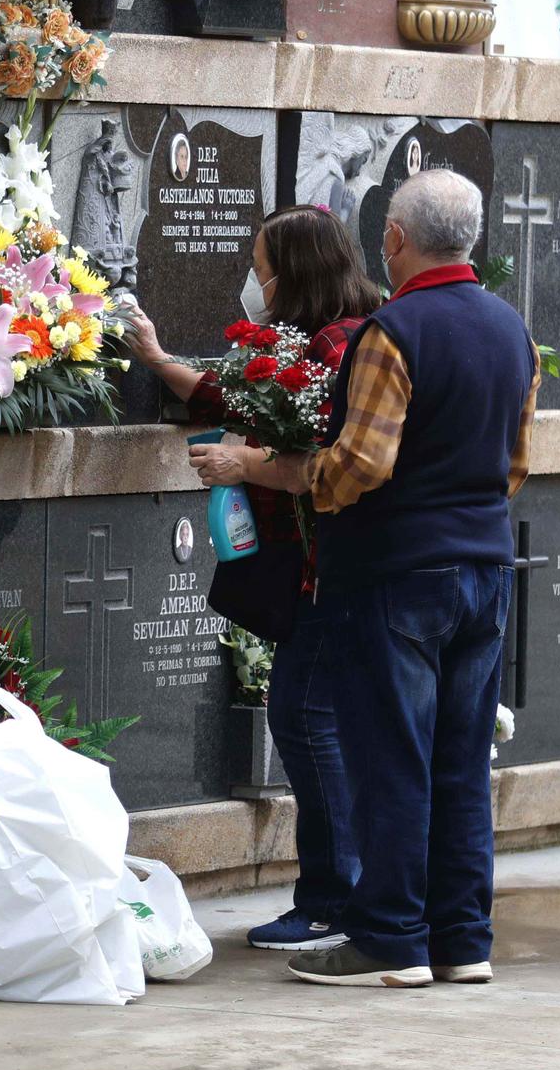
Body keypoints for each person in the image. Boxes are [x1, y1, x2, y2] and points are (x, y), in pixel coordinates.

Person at [189, 171, 538, 987]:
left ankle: (387, 936)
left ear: (396, 240)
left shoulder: (395, 331)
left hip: (396, 574)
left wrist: (284, 469)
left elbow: (358, 467)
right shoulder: (510, 329)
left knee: (392, 757)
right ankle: (461, 940)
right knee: (460, 761)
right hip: (487, 568)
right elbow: (517, 464)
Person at [129, 205, 382, 953]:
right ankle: (340, 893)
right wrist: (157, 358)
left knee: (306, 720)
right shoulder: (317, 339)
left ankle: (336, 898)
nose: (253, 280)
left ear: (294, 272)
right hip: (318, 575)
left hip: (335, 574)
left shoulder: (346, 348)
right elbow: (234, 397)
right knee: (310, 720)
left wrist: (248, 463)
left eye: (261, 267)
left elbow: (340, 461)